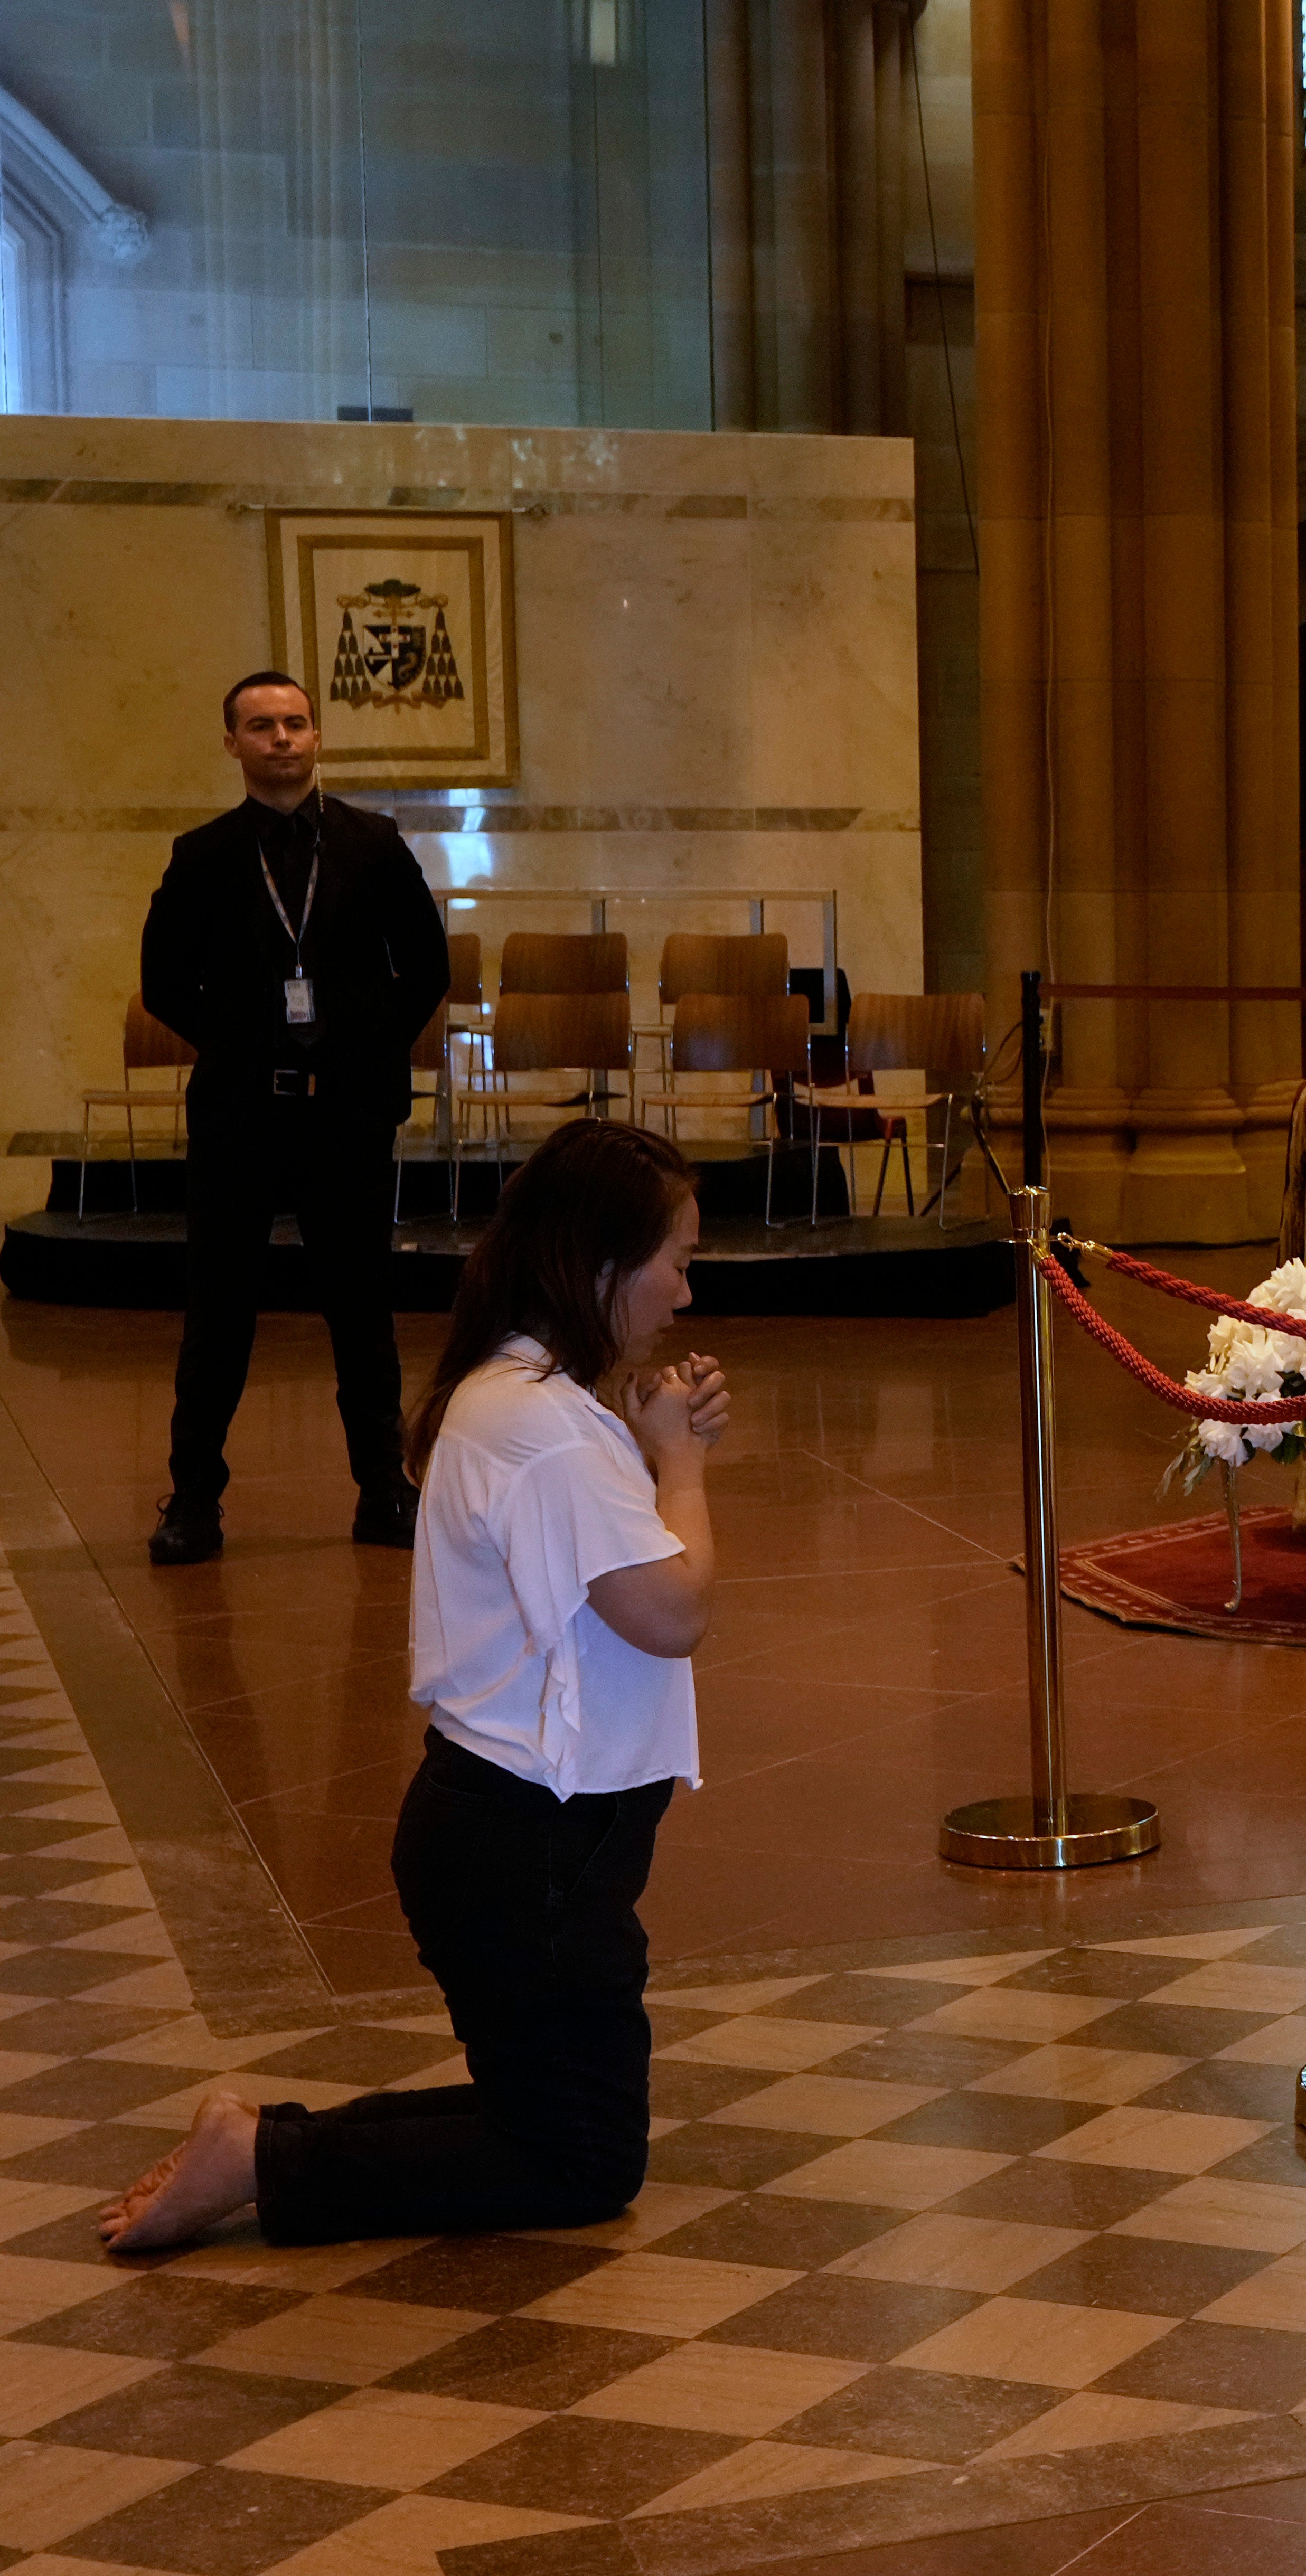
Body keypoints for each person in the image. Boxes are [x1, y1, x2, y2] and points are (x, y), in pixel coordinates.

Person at [99, 1121, 721, 2253]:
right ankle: (263, 2158)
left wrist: (643, 1443)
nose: (685, 1287)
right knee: (578, 2159)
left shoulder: (522, 1394)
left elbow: (588, 1568)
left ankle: (263, 2146)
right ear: (598, 1263)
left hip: (511, 1839)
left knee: (558, 2127)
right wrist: (679, 1463)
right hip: (526, 1848)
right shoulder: (543, 1426)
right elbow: (672, 1611)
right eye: (674, 1257)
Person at [140, 672, 454, 1562]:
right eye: (260, 726)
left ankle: (384, 1489)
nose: (280, 738)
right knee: (220, 1313)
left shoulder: (374, 843)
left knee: (362, 1307)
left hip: (346, 1117)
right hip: (241, 1115)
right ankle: (194, 1499)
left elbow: (424, 966)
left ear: (317, 737)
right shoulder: (201, 855)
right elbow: (165, 980)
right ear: (233, 743)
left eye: (295, 723)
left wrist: (367, 1044)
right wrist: (239, 1042)